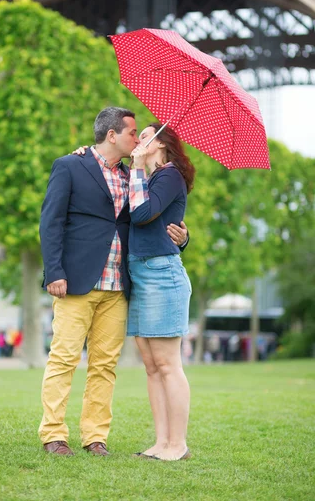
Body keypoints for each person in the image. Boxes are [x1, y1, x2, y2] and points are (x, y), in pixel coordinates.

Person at [38, 107, 188, 457]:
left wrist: (182, 236)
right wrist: (54, 272)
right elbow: (51, 222)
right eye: (132, 133)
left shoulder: (132, 176)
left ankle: (95, 437)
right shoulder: (70, 165)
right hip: (75, 282)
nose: (137, 139)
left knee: (104, 366)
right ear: (111, 135)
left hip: (119, 287)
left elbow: (153, 218)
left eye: (141, 134)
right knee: (63, 360)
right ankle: (54, 435)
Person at [127, 122, 194, 461]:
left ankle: (178, 444)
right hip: (140, 273)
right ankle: (161, 442)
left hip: (161, 275)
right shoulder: (148, 177)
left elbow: (141, 214)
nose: (138, 140)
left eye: (144, 135)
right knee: (152, 366)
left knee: (168, 364)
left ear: (161, 143)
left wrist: (137, 168)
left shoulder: (168, 176)